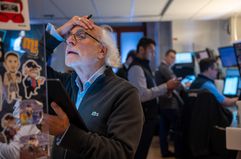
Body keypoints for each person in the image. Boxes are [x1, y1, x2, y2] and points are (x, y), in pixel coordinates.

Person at [42, 16, 144, 159]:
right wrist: (59, 32)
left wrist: (66, 132)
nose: (70, 41)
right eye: (69, 37)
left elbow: (121, 153)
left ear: (101, 51)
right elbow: (28, 65)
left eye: (81, 36)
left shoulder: (125, 93)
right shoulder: (64, 83)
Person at [127, 37, 180, 159]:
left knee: (144, 150)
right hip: (143, 117)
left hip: (150, 115)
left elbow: (151, 89)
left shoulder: (145, 66)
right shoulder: (136, 68)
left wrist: (165, 91)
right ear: (141, 49)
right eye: (151, 50)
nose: (153, 53)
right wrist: (166, 86)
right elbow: (141, 95)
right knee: (140, 151)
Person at [155, 49, 182, 157]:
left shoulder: (159, 68)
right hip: (169, 103)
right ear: (166, 56)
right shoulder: (164, 68)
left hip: (162, 103)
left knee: (164, 129)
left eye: (174, 58)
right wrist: (182, 85)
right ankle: (179, 153)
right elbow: (175, 82)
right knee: (177, 129)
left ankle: (165, 152)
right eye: (171, 57)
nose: (173, 59)